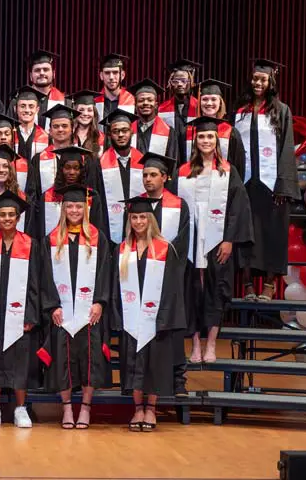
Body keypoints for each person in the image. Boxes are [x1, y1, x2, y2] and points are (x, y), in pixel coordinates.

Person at [178, 117, 253, 363]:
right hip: (190, 242)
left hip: (217, 241)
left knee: (215, 291)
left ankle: (211, 343)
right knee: (193, 292)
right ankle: (195, 345)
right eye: (201, 136)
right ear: (195, 140)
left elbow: (237, 208)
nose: (206, 141)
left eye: (210, 136)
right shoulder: (183, 171)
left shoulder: (229, 171)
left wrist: (229, 240)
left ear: (217, 140)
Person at [38, 184, 111, 429]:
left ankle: (86, 409)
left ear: (86, 208)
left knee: (90, 360)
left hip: (90, 311)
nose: (74, 210)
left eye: (79, 206)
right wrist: (52, 306)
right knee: (64, 361)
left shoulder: (97, 236)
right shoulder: (51, 239)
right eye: (69, 206)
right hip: (62, 313)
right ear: (63, 208)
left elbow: (104, 272)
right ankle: (67, 408)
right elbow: (45, 276)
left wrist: (100, 301)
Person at [111, 196, 186, 431]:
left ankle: (151, 409)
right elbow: (114, 287)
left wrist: (163, 318)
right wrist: (118, 316)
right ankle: (137, 409)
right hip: (131, 318)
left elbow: (173, 288)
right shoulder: (122, 250)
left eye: (143, 217)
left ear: (150, 219)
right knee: (133, 363)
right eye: (134, 217)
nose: (138, 221)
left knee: (154, 364)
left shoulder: (165, 248)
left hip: (156, 319)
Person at [235, 59, 299, 301]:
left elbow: (287, 148)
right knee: (247, 234)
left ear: (271, 81)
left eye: (262, 79)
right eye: (254, 78)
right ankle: (248, 284)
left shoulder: (281, 111)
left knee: (273, 232)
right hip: (247, 183)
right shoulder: (241, 111)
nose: (257, 83)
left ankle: (269, 285)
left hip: (273, 186)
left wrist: (283, 183)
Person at [0, 190, 39, 428]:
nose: (6, 218)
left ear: (18, 217)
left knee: (20, 361)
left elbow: (36, 282)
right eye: (2, 214)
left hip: (19, 313)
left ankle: (20, 409)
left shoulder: (30, 244)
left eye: (11, 215)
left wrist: (31, 314)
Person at [139, 151, 191, 396]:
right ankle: (143, 380)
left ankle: (178, 380)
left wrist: (164, 269)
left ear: (165, 177)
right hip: (140, 277)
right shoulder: (137, 205)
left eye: (153, 175)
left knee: (173, 326)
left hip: (170, 277)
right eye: (145, 175)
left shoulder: (179, 205)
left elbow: (181, 243)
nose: (148, 179)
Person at [30, 146, 105, 239]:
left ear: (81, 171)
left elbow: (97, 230)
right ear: (61, 169)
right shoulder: (46, 197)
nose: (72, 172)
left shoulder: (91, 197)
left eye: (76, 168)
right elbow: (39, 231)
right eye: (67, 167)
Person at [97, 109, 145, 245]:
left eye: (125, 130)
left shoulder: (143, 162)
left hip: (139, 224)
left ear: (132, 132)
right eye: (116, 131)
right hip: (108, 228)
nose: (121, 135)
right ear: (109, 135)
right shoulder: (99, 165)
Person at [28, 104, 94, 198]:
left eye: (64, 126)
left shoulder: (85, 158)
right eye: (56, 126)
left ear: (72, 129)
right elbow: (35, 194)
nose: (60, 129)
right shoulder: (37, 160)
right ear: (50, 131)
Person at [185, 78, 246, 179]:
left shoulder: (231, 132)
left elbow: (239, 166)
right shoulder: (187, 131)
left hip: (223, 187)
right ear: (199, 103)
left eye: (213, 99)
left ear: (220, 103)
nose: (209, 103)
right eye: (204, 99)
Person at [9, 50, 68, 131]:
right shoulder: (17, 101)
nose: (42, 73)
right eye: (37, 70)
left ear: (53, 74)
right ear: (30, 76)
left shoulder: (65, 102)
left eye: (46, 69)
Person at [159, 59, 201, 154]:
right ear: (171, 83)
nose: (179, 84)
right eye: (176, 81)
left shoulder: (199, 107)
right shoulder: (162, 109)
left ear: (191, 81)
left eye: (183, 80)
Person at [128, 79, 178, 159]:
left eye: (150, 100)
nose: (145, 103)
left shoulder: (169, 132)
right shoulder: (128, 130)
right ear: (136, 105)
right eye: (141, 100)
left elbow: (173, 163)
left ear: (156, 105)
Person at [94, 53, 135, 131]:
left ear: (122, 75)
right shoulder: (93, 102)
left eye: (115, 72)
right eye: (107, 73)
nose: (111, 77)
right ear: (101, 76)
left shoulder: (133, 101)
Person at [12, 86, 50, 160]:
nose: (27, 110)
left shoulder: (46, 137)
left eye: (31, 106)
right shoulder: (9, 135)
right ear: (15, 109)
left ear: (37, 109)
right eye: (22, 106)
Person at [71, 90, 106, 156]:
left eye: (89, 110)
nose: (85, 113)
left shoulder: (101, 138)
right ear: (75, 112)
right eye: (81, 110)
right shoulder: (69, 136)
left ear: (94, 113)